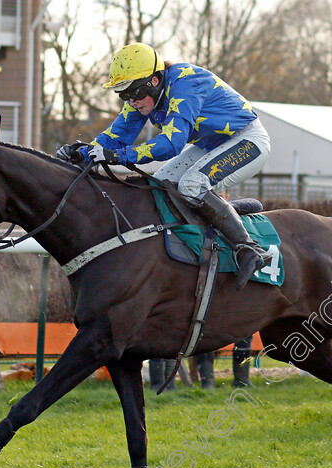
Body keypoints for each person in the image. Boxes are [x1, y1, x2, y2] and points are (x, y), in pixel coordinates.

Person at [56, 42, 272, 290]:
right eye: (123, 94)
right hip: (211, 143)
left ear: (155, 81)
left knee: (192, 184)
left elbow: (171, 144)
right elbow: (115, 136)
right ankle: (216, 221)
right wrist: (81, 153)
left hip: (248, 140)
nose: (131, 101)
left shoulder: (185, 84)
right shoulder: (143, 96)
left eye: (134, 93)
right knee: (159, 185)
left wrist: (117, 156)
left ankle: (250, 250)